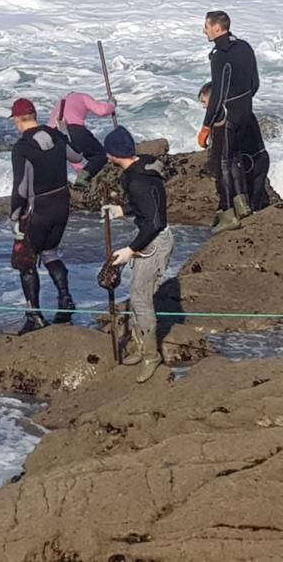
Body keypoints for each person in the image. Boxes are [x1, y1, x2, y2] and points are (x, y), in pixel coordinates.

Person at [101, 126, 173, 384]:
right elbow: (146, 206)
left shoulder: (139, 180)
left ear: (115, 154)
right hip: (152, 237)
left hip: (154, 242)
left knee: (140, 299)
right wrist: (122, 210)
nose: (107, 158)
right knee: (138, 294)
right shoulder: (142, 168)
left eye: (108, 153)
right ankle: (140, 346)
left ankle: (151, 357)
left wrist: (131, 250)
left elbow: (154, 222)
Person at [9, 97, 82, 334]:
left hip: (36, 210)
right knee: (51, 252)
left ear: (19, 119)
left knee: (26, 263)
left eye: (15, 121)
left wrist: (15, 217)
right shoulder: (57, 136)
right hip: (61, 205)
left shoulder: (22, 147)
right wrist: (65, 133)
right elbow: (76, 158)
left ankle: (35, 317)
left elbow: (21, 187)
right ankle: (65, 299)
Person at [198, 10, 261, 233]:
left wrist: (207, 125)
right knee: (235, 160)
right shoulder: (244, 46)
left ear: (217, 28)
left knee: (223, 164)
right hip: (246, 112)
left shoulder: (220, 54)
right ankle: (243, 205)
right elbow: (255, 84)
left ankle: (227, 213)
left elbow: (218, 94)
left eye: (206, 26)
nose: (204, 30)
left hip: (228, 116)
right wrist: (243, 104)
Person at [198, 82, 271, 215]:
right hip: (260, 158)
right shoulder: (241, 112)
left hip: (249, 163)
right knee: (257, 203)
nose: (204, 107)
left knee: (250, 205)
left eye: (204, 101)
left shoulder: (225, 117)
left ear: (215, 98)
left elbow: (222, 148)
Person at [47, 91, 117, 187]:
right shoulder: (82, 96)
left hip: (52, 134)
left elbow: (71, 149)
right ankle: (82, 179)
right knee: (99, 156)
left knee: (68, 155)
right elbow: (102, 111)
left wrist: (79, 168)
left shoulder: (59, 103)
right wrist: (112, 104)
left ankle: (77, 180)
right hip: (73, 129)